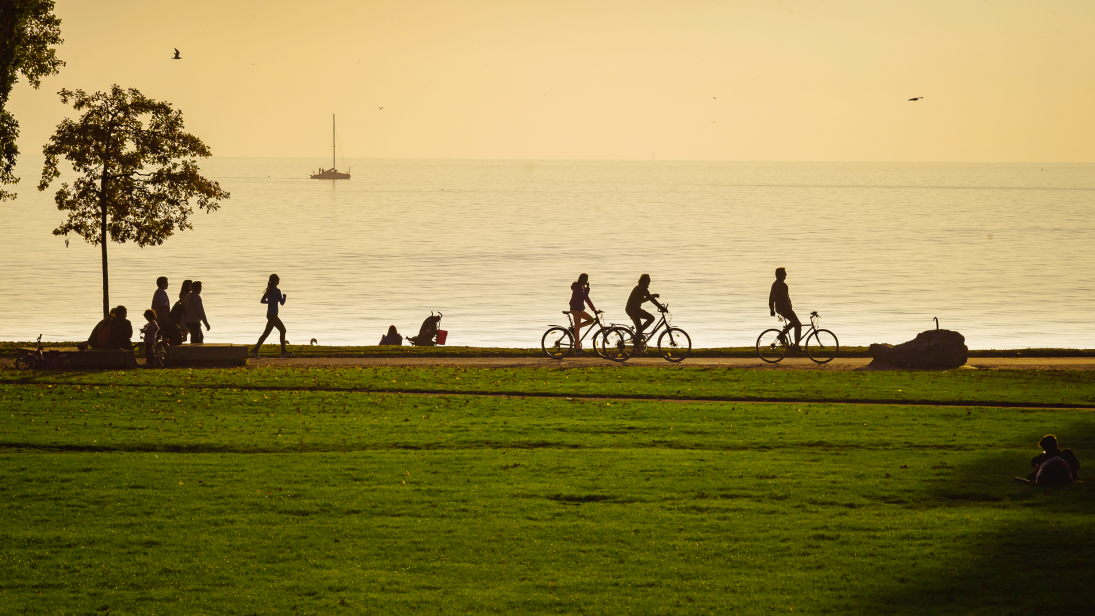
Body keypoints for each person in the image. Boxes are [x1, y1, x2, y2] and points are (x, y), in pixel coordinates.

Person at [252, 274, 293, 358]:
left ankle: (256, 350)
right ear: (275, 281)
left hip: (269, 314)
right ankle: (282, 351)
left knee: (275, 332)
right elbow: (282, 302)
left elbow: (262, 301)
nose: (279, 281)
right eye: (278, 280)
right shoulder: (277, 291)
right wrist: (284, 297)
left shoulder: (269, 290)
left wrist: (270, 302)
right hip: (273, 315)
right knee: (280, 331)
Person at [625, 274, 663, 351]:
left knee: (639, 330)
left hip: (632, 309)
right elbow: (651, 299)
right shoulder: (642, 288)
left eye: (649, 280)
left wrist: (652, 296)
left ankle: (637, 347)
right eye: (648, 280)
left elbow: (641, 300)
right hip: (634, 310)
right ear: (643, 280)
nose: (649, 281)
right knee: (651, 318)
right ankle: (638, 335)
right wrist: (661, 307)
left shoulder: (639, 288)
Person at [769, 267, 801, 349]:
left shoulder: (774, 284)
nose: (786, 275)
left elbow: (771, 298)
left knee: (794, 322)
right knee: (798, 324)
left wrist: (772, 310)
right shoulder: (783, 285)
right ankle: (796, 345)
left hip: (778, 308)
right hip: (784, 308)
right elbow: (784, 299)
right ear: (780, 275)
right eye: (784, 273)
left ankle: (782, 335)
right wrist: (789, 310)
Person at [569, 273, 598, 354]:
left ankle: (575, 328)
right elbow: (583, 297)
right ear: (580, 279)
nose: (586, 281)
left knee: (591, 320)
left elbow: (587, 299)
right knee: (577, 330)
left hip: (579, 310)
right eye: (584, 280)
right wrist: (588, 288)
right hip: (575, 310)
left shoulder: (582, 288)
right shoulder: (577, 287)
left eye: (586, 280)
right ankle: (578, 349)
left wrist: (594, 310)